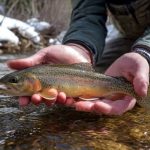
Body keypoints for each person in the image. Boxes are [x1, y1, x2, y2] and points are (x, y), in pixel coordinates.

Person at [7, 0, 150, 115]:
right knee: (107, 71)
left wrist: (144, 52)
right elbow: (87, 15)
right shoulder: (36, 80)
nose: (11, 83)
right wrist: (79, 49)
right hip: (126, 37)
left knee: (138, 73)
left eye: (14, 80)